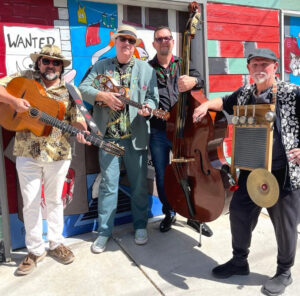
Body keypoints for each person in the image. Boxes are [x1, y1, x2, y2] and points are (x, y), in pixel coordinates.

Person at [193, 48, 300, 296]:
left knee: (284, 225)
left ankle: (284, 271)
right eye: (254, 64)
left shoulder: (292, 93)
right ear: (249, 69)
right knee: (239, 213)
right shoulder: (244, 94)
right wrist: (207, 104)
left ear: (275, 66)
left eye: (265, 63)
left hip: (283, 173)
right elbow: (224, 102)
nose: (259, 68)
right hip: (251, 170)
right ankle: (239, 261)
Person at [0, 44, 89, 275]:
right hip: (27, 153)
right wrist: (14, 101)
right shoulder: (24, 79)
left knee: (54, 201)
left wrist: (83, 131)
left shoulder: (71, 90)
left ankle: (56, 243)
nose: (50, 65)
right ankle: (34, 250)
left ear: (61, 67)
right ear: (38, 63)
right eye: (46, 61)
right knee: (29, 202)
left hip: (58, 153)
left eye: (55, 62)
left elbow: (78, 119)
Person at [79, 25, 159, 253]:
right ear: (115, 41)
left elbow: (153, 98)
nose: (126, 44)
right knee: (108, 186)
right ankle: (104, 232)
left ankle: (141, 226)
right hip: (109, 139)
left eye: (131, 41)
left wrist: (149, 109)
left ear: (135, 45)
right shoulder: (101, 66)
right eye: (122, 39)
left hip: (136, 138)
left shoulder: (146, 70)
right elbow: (82, 89)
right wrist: (102, 95)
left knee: (138, 186)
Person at [149, 26, 213, 236]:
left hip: (185, 132)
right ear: (154, 44)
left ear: (173, 42)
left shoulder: (183, 64)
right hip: (159, 131)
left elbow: (201, 80)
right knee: (162, 174)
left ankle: (193, 215)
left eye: (168, 38)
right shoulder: (148, 68)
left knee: (190, 173)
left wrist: (194, 81)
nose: (164, 41)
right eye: (160, 39)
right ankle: (169, 213)